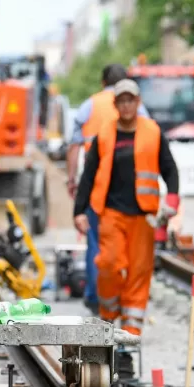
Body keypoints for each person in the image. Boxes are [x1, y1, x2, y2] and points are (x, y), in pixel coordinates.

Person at [73, 79, 179, 336]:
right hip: (111, 213)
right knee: (108, 264)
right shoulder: (105, 134)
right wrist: (79, 210)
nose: (127, 105)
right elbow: (89, 174)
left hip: (144, 217)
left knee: (138, 274)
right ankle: (108, 316)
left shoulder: (153, 132)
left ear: (138, 102)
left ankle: (129, 335)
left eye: (131, 100)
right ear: (116, 104)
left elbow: (170, 169)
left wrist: (172, 201)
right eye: (122, 100)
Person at [66, 64, 149, 314]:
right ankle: (125, 297)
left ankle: (96, 298)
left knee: (96, 243)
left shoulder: (89, 106)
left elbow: (74, 145)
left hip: (97, 185)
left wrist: (72, 179)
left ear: (103, 83)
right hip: (131, 188)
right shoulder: (138, 107)